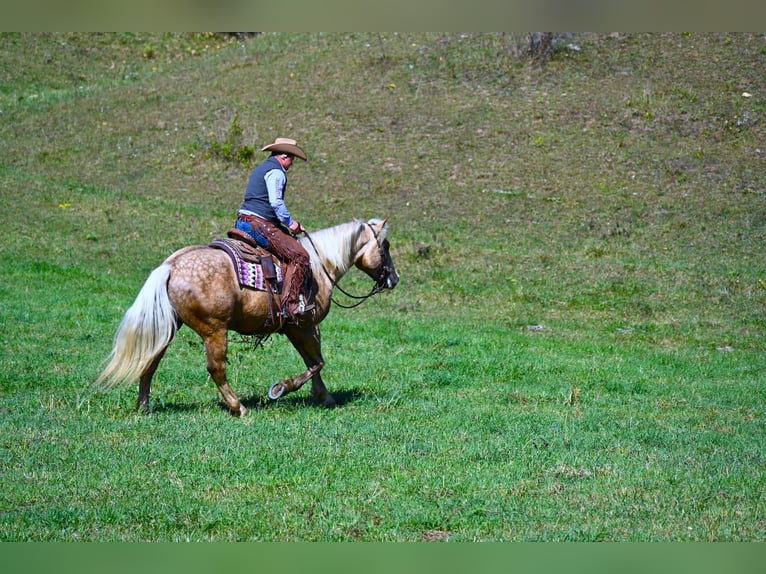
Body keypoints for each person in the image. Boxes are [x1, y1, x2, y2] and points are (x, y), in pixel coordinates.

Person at [235, 137, 314, 322]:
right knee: (300, 257)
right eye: (292, 158)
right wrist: (292, 223)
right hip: (260, 225)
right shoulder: (277, 172)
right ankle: (290, 305)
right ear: (284, 156)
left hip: (243, 221)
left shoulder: (260, 168)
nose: (292, 163)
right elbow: (276, 202)